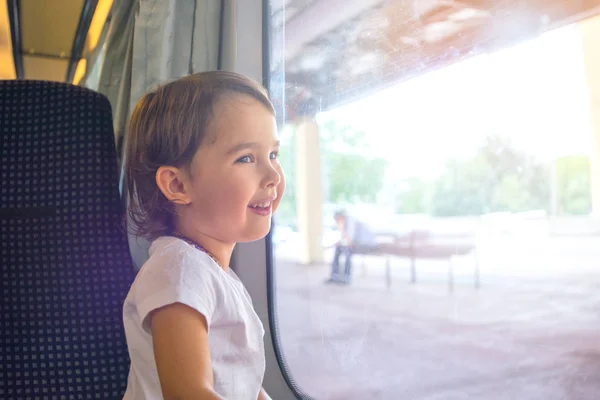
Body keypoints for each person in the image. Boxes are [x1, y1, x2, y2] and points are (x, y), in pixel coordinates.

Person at [122, 71, 284, 400]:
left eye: (273, 155)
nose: (272, 175)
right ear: (178, 185)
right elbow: (190, 393)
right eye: (246, 158)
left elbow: (241, 381)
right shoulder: (179, 271)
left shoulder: (215, 274)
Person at [325, 210, 377, 284]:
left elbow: (350, 240)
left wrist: (342, 229)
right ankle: (335, 276)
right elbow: (345, 239)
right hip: (358, 243)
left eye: (337, 219)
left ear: (341, 217)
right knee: (338, 249)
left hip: (366, 244)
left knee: (347, 250)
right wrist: (339, 242)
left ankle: (347, 277)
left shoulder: (350, 221)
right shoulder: (344, 223)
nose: (337, 222)